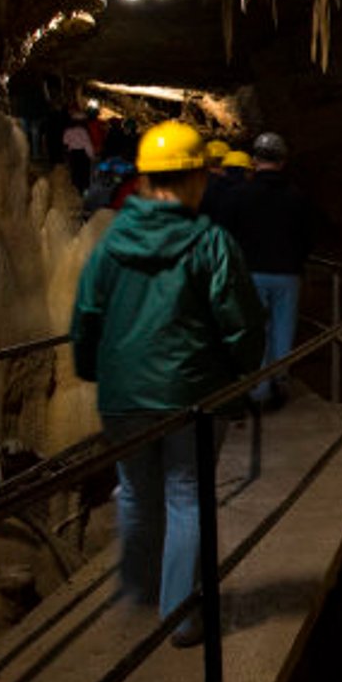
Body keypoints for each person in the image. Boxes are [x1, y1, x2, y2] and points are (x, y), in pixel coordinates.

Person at [69, 121, 265, 646]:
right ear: (195, 179)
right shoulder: (211, 244)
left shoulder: (110, 246)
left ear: (146, 178)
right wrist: (243, 374)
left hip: (123, 397)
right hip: (194, 396)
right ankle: (180, 615)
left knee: (135, 490)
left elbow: (87, 314)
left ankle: (140, 587)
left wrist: (93, 369)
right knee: (186, 497)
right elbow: (242, 322)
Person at [221, 131, 320, 407]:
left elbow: (224, 234)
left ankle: (259, 390)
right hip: (288, 274)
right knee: (283, 329)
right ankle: (280, 382)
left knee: (256, 330)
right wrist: (298, 259)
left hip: (251, 273)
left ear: (254, 160)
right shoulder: (297, 197)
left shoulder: (238, 195)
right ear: (283, 161)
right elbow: (308, 236)